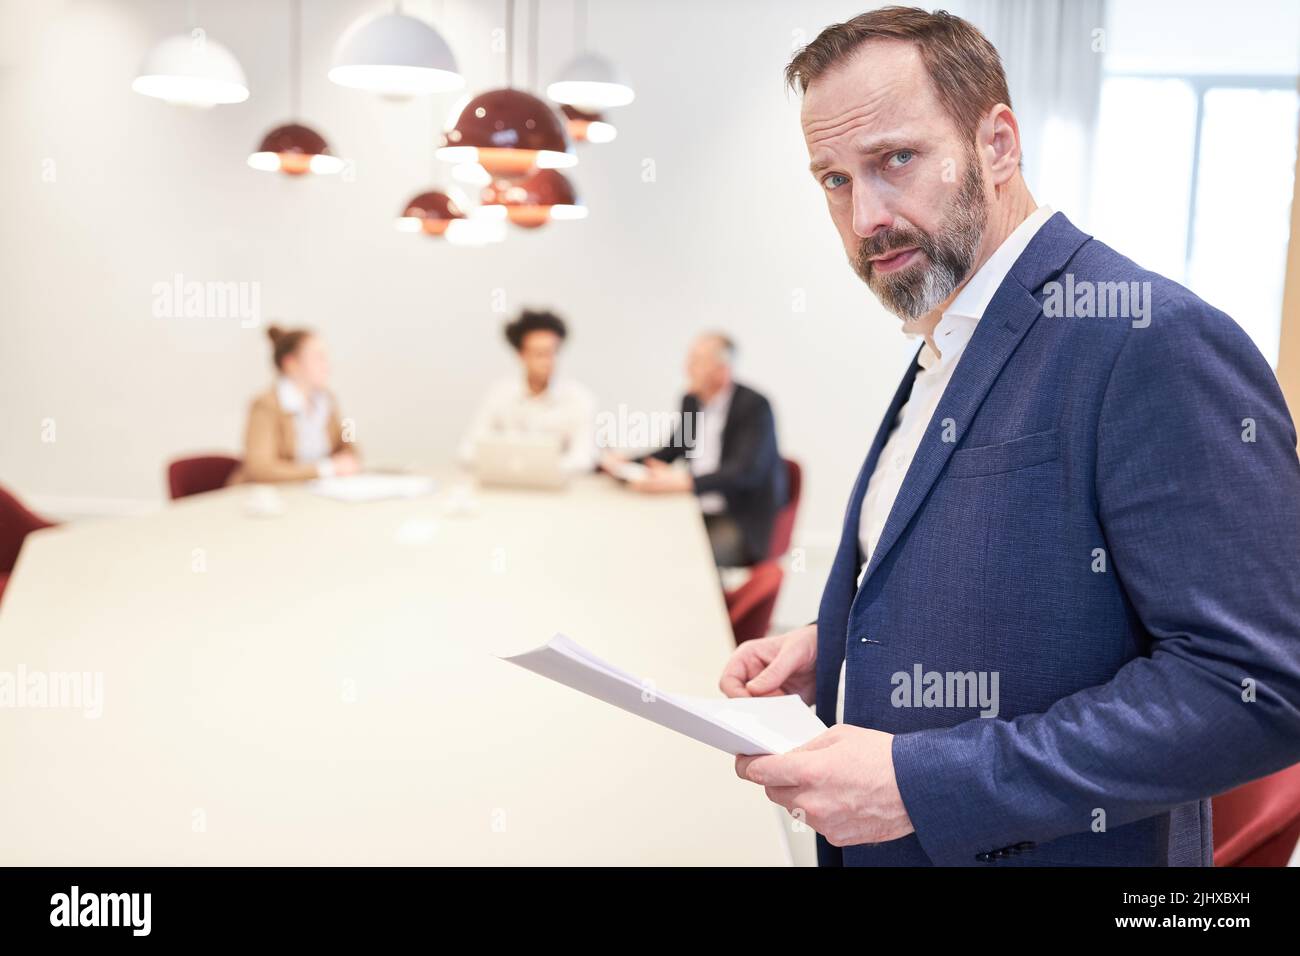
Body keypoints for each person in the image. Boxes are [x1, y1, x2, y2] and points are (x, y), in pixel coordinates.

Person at [722, 7, 1300, 867]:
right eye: (834, 181)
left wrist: (923, 782)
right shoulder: (947, 334)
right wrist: (832, 647)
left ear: (997, 145)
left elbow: (1256, 689)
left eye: (895, 160)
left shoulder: (1149, 337)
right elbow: (1000, 581)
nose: (865, 216)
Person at [603, 333, 786, 568]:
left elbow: (744, 471)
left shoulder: (754, 406)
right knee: (642, 541)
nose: (687, 368)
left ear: (723, 370)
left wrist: (687, 483)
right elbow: (675, 448)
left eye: (697, 362)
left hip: (737, 520)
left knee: (683, 559)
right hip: (693, 508)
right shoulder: (692, 401)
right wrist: (627, 464)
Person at [459, 309, 597, 474]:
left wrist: (537, 469)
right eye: (539, 354)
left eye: (552, 353)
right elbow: (467, 450)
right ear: (521, 355)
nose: (548, 361)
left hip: (557, 490)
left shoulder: (578, 398)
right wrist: (510, 467)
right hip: (506, 484)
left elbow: (583, 458)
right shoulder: (500, 394)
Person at [227, 325, 359, 484]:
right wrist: (326, 469)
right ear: (291, 364)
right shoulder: (265, 405)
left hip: (314, 493)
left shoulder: (327, 400)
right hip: (266, 498)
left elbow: (347, 442)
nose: (327, 366)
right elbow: (260, 469)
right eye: (319, 357)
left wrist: (350, 456)